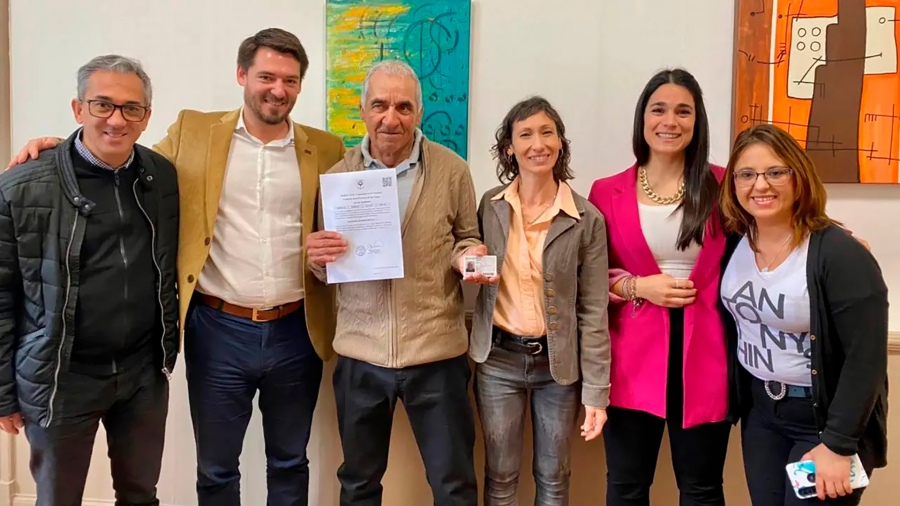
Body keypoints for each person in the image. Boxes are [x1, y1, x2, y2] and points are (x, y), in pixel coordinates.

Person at [7, 28, 346, 506]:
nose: (278, 89)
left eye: (290, 80)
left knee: (291, 461)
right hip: (219, 328)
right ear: (242, 75)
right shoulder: (194, 133)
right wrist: (61, 148)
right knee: (216, 468)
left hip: (296, 328)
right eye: (266, 76)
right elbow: (119, 154)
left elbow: (351, 210)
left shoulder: (326, 148)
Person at [0, 55, 179, 506]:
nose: (116, 120)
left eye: (131, 108)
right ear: (78, 109)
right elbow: (2, 295)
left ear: (146, 117)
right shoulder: (23, 186)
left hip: (142, 374)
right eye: (102, 105)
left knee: (141, 494)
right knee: (59, 498)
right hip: (62, 376)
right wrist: (3, 392)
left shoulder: (162, 176)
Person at [306, 59, 482, 506]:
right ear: (363, 111)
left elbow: (467, 238)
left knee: (454, 485)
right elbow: (326, 267)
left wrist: (469, 257)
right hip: (360, 356)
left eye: (404, 107)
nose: (391, 118)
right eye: (380, 105)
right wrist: (318, 260)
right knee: (358, 484)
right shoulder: (337, 177)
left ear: (419, 113)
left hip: (437, 354)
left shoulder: (453, 170)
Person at [718, 124, 889, 505]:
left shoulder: (840, 254)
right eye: (747, 174)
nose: (760, 185)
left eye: (776, 172)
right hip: (762, 415)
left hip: (822, 420)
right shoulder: (735, 241)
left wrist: (838, 444)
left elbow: (866, 358)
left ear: (799, 177)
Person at [587, 68, 733, 506]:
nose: (670, 121)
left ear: (697, 121)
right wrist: (636, 287)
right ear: (643, 118)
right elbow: (587, 275)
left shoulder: (725, 184)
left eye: (683, 111)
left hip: (706, 354)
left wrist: (831, 237)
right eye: (659, 110)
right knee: (627, 486)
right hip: (630, 357)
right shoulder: (606, 192)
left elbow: (774, 223)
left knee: (703, 488)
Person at [469, 96, 610, 505]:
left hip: (558, 365)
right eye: (526, 134)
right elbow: (467, 256)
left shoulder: (586, 219)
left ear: (560, 143)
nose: (538, 144)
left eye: (547, 133)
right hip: (497, 360)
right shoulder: (490, 206)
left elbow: (593, 310)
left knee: (554, 477)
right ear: (509, 147)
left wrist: (596, 391)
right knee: (500, 476)